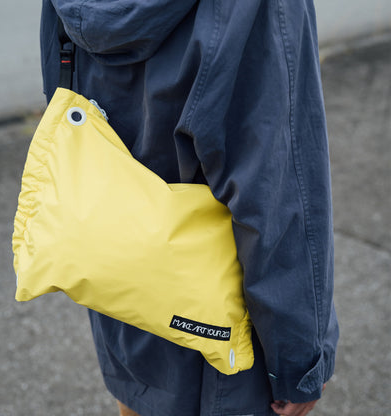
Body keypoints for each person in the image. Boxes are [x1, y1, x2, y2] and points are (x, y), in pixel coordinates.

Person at [40, 1, 339, 415]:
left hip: (123, 299)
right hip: (223, 346)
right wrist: (299, 361)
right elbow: (278, 187)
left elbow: (62, 96)